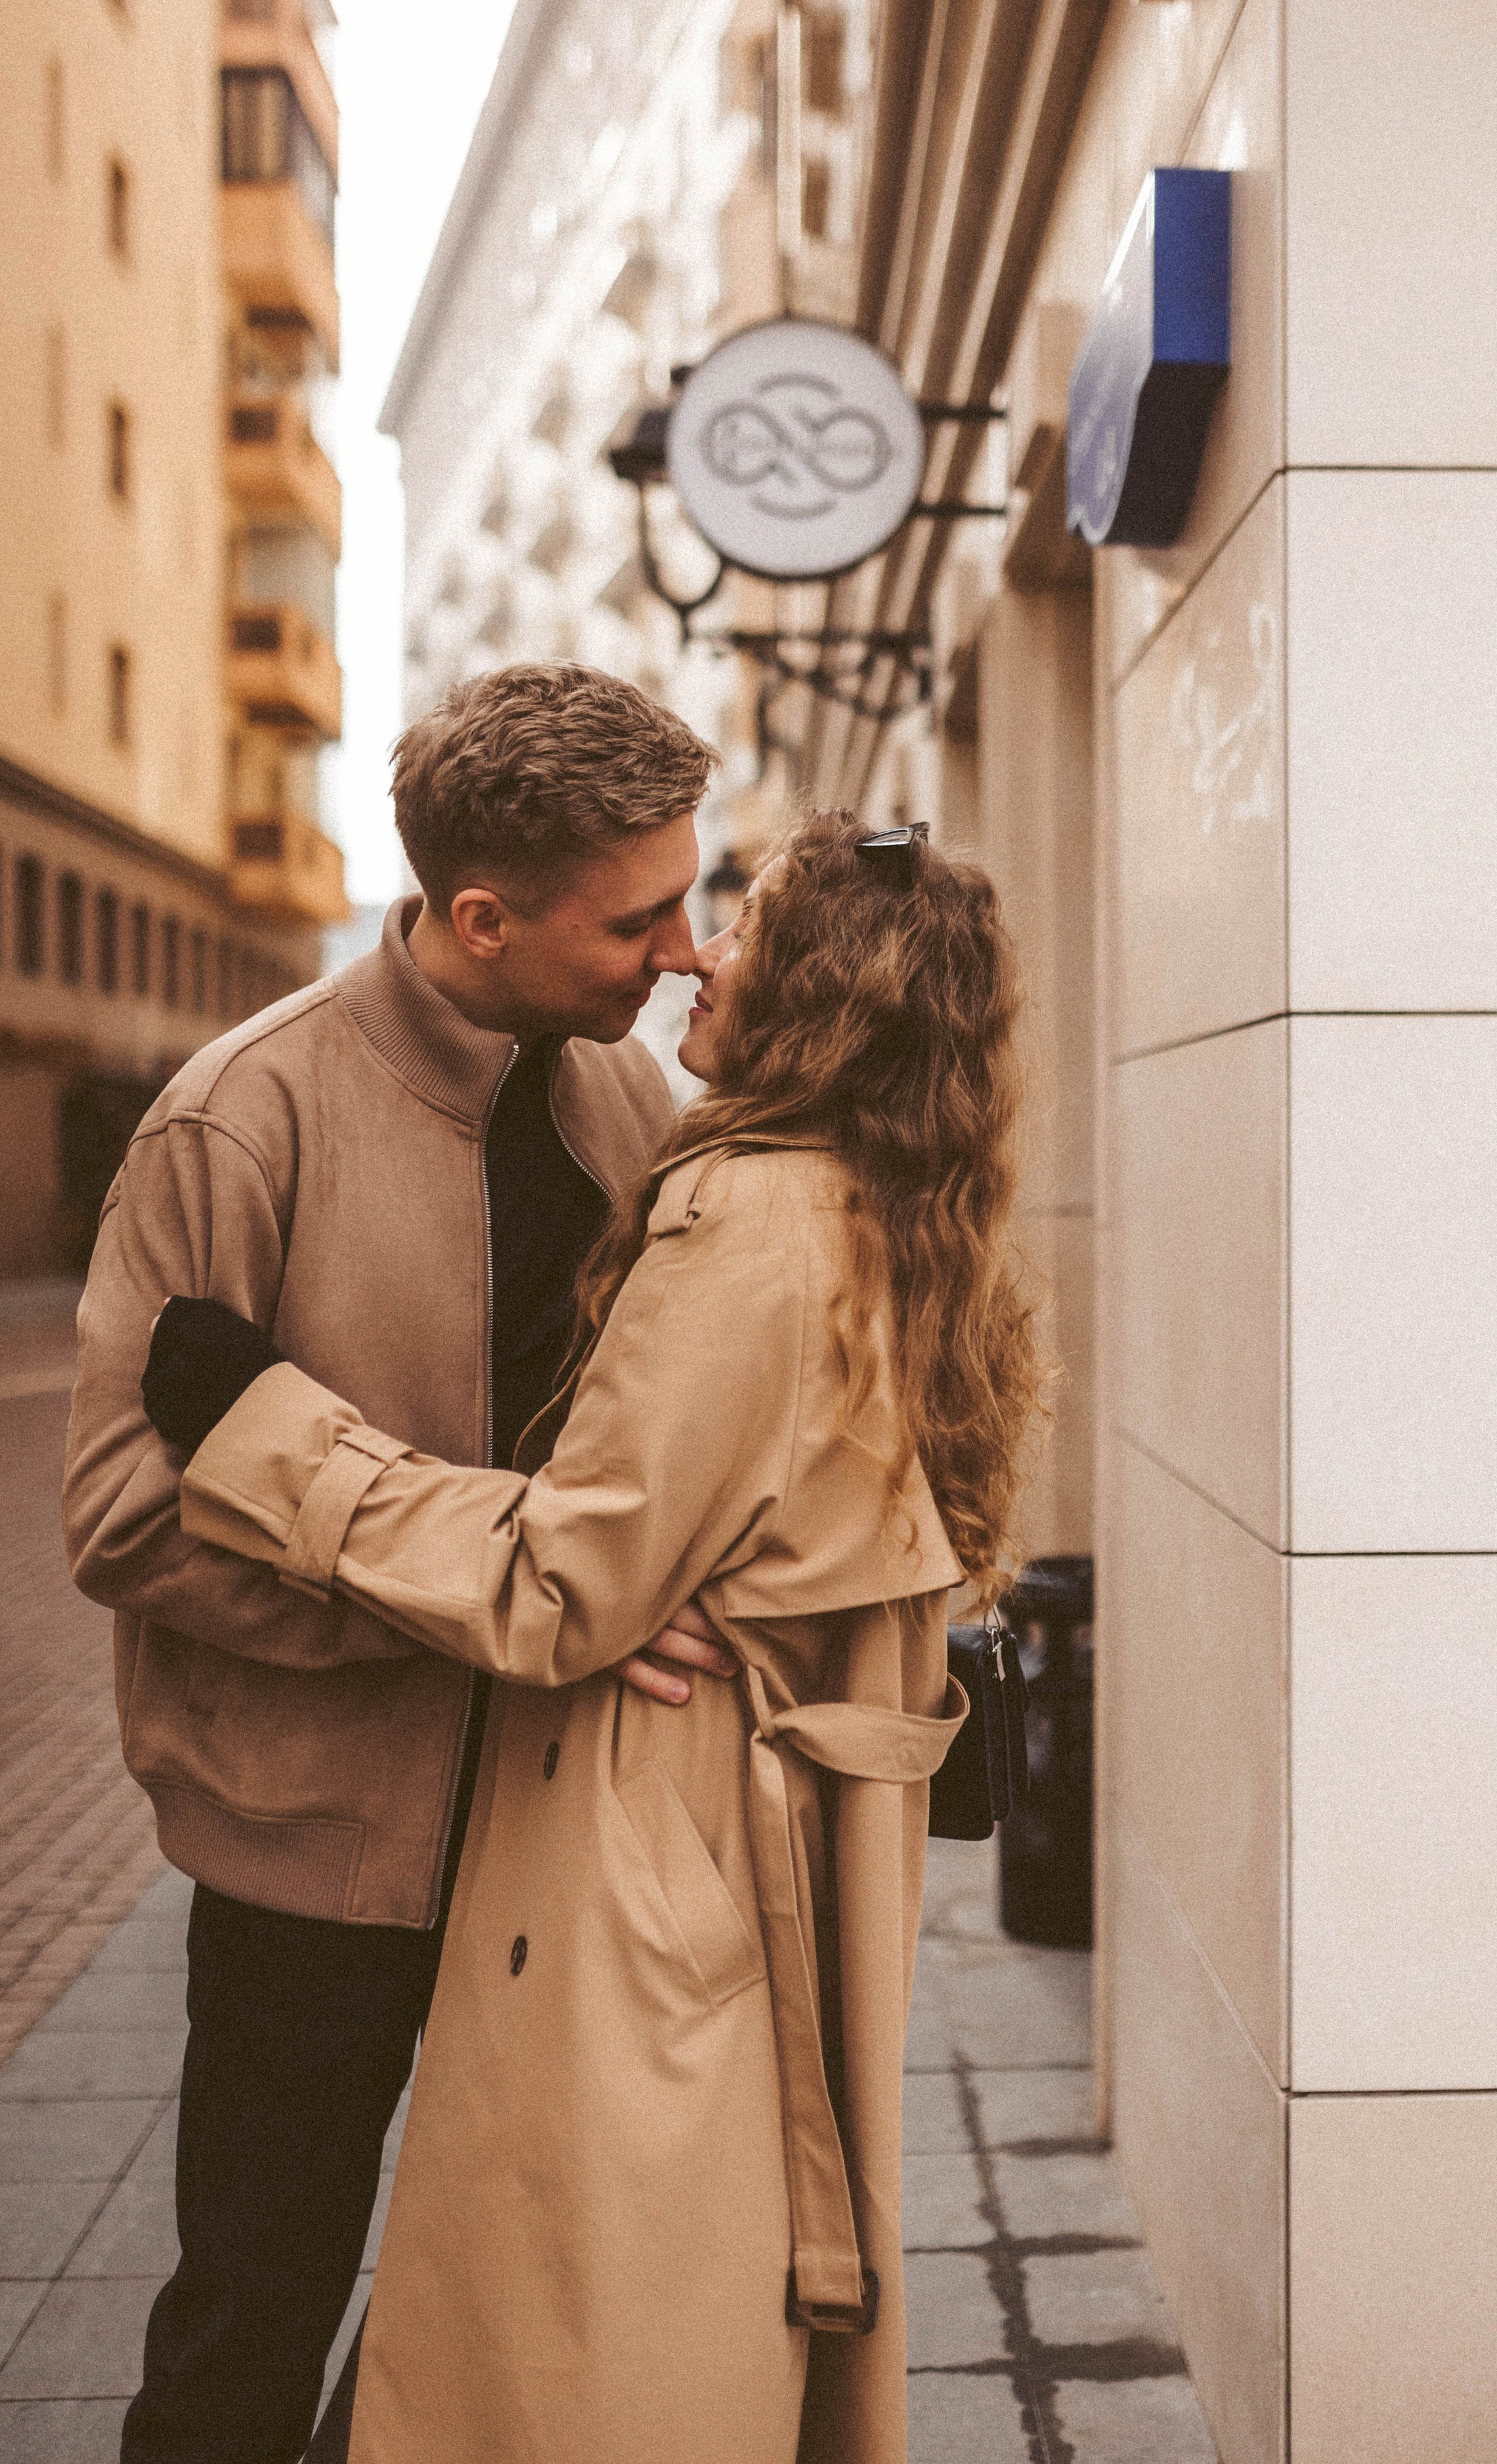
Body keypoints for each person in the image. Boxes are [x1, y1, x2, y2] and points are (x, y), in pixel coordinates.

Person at [141, 812, 1044, 2464]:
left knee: (555, 2331)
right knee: (588, 2306)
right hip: (720, 1844)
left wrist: (265, 1429)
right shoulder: (884, 1202)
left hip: (637, 1845)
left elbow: (563, 1591)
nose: (696, 951)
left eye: (739, 923)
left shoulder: (752, 1221)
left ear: (819, 998)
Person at [62, 663, 741, 2464]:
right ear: (480, 915)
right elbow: (122, 1513)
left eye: (689, 893)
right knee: (251, 2325)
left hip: (565, 1831)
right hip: (310, 1864)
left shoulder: (629, 1108)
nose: (683, 951)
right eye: (642, 917)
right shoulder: (239, 1120)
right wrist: (505, 1607)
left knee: (498, 2309)